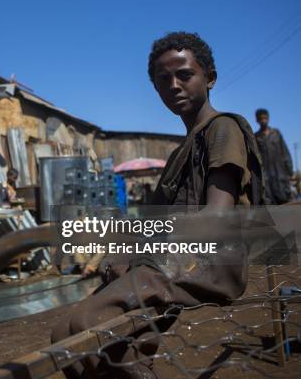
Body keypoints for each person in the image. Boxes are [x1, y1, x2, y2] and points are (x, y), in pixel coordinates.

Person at [52, 32, 264, 379]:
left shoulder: (222, 129)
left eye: (185, 74)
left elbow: (217, 218)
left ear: (209, 78)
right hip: (173, 261)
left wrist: (139, 255)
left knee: (89, 326)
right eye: (163, 80)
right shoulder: (182, 151)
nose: (174, 85)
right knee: (63, 333)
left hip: (208, 262)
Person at [254, 108, 294, 204]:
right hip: (266, 177)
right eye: (261, 119)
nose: (263, 120)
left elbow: (285, 152)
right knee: (269, 203)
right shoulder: (256, 137)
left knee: (284, 199)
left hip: (280, 174)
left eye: (265, 118)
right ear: (257, 120)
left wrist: (290, 171)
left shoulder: (276, 133)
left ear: (268, 118)